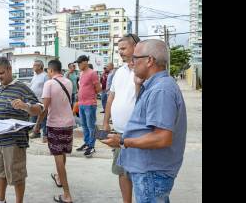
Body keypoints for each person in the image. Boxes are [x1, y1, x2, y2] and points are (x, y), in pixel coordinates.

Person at [101, 39, 187, 203]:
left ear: (149, 60)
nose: (132, 63)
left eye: (135, 58)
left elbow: (162, 137)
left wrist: (123, 141)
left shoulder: (161, 90)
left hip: (152, 172)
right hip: (150, 170)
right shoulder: (154, 85)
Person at [0, 56, 43, 203]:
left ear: (10, 69)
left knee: (17, 175)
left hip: (14, 141)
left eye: (1, 73)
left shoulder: (22, 87)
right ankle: (0, 200)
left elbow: (40, 108)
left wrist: (26, 106)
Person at [101, 33, 141, 203]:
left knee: (139, 173)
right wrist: (105, 122)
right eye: (119, 50)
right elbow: (111, 97)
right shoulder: (119, 72)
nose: (121, 52)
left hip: (138, 134)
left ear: (136, 48)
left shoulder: (144, 71)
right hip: (119, 133)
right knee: (122, 171)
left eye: (124, 48)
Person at [37, 59, 75, 203]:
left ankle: (67, 195)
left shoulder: (49, 83)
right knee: (63, 153)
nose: (47, 73)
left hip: (55, 124)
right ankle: (59, 178)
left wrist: (37, 125)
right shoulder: (69, 82)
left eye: (48, 71)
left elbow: (44, 107)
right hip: (68, 124)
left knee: (58, 158)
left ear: (51, 70)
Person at [75, 55, 101, 157]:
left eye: (80, 63)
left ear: (85, 62)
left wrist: (90, 95)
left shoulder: (92, 73)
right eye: (78, 63)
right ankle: (87, 143)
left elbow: (98, 89)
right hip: (81, 103)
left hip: (90, 104)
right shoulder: (81, 73)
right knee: (84, 126)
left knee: (91, 126)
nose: (78, 65)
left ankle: (92, 146)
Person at [29, 60, 49, 142]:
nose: (33, 66)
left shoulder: (45, 76)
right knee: (34, 118)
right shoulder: (35, 76)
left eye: (35, 65)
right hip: (34, 100)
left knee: (43, 119)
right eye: (33, 65)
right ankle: (36, 133)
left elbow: (47, 87)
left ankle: (45, 135)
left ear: (40, 66)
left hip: (42, 100)